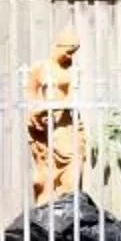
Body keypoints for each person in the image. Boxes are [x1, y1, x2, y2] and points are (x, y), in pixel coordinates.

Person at [25, 31, 83, 201]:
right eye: (68, 51)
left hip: (66, 125)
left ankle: (68, 208)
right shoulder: (41, 67)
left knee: (74, 164)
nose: (69, 56)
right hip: (44, 126)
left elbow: (73, 97)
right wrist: (37, 112)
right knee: (44, 175)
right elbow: (30, 94)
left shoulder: (72, 69)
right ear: (59, 47)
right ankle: (46, 207)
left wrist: (56, 106)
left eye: (73, 53)